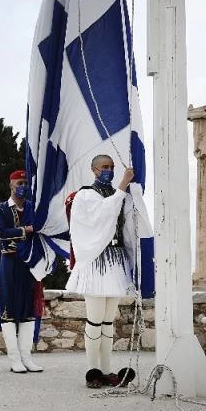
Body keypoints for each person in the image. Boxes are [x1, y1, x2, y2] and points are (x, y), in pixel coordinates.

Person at [65, 155, 152, 388]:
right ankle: (92, 370)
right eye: (105, 167)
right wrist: (123, 186)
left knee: (107, 321)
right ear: (94, 170)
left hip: (115, 261)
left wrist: (134, 196)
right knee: (94, 320)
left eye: (112, 167)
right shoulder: (85, 195)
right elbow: (103, 214)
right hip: (96, 262)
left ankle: (106, 369)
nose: (109, 171)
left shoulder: (118, 196)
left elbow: (126, 222)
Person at [0, 170, 43, 373]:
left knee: (29, 311)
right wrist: (26, 231)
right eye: (19, 182)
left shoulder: (33, 208)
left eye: (26, 183)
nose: (23, 186)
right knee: (9, 310)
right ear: (11, 185)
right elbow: (1, 233)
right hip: (10, 263)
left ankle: (27, 358)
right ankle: (14, 360)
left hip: (29, 264)